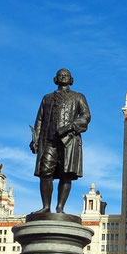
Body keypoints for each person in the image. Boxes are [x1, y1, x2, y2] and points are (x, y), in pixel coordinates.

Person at [30, 68, 91, 213]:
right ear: (55, 79)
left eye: (66, 75)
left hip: (69, 140)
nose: (63, 76)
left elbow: (86, 116)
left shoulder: (78, 97)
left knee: (66, 174)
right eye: (60, 75)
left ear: (71, 80)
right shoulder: (47, 98)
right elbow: (39, 120)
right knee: (45, 172)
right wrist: (35, 140)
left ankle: (60, 207)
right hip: (49, 141)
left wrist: (71, 126)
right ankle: (46, 207)